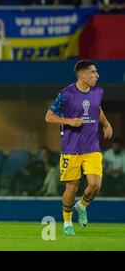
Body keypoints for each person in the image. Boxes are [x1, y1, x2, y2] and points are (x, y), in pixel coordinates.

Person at [45, 60, 113, 236]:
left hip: (92, 148)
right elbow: (49, 116)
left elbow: (96, 109)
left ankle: (81, 205)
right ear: (82, 75)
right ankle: (67, 222)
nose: (97, 75)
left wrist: (106, 124)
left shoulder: (98, 92)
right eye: (93, 72)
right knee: (72, 187)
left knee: (95, 185)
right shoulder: (66, 94)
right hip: (71, 149)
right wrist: (68, 121)